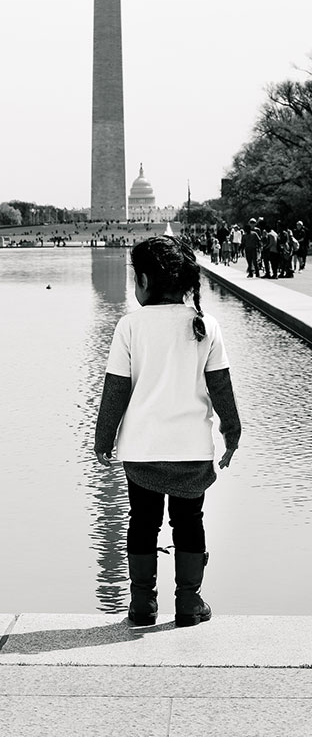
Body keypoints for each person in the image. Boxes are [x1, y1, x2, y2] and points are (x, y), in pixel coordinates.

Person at [94, 236, 241, 628]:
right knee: (189, 521)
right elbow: (221, 387)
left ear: (142, 280)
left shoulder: (130, 326)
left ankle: (142, 604)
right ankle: (189, 603)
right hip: (192, 448)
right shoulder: (204, 325)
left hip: (142, 447)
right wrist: (233, 432)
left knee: (143, 522)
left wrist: (103, 437)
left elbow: (115, 390)